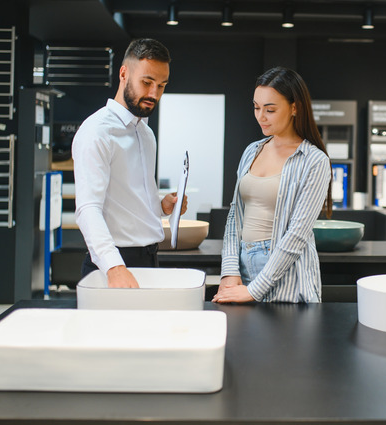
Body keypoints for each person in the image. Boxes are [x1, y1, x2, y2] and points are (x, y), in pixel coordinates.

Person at [73, 38, 187, 288]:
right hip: (112, 264)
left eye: (161, 85)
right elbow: (88, 209)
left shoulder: (145, 133)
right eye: (147, 82)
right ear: (124, 73)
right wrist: (114, 267)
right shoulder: (96, 131)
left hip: (149, 257)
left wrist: (160, 206)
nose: (154, 94)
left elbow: (128, 197)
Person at [213, 66, 332, 304]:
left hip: (287, 276)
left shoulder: (314, 161)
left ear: (294, 107)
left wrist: (255, 289)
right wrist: (229, 270)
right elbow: (235, 215)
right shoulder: (252, 151)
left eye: (270, 109)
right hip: (243, 269)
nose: (260, 117)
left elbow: (297, 235)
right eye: (256, 108)